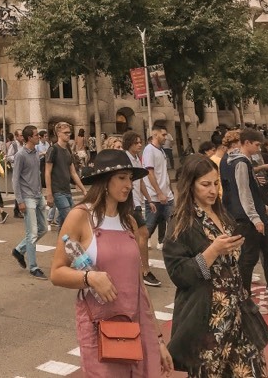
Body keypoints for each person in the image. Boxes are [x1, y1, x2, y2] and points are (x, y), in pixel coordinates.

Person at [50, 148, 173, 376]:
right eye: (121, 178)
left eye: (130, 178)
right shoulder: (80, 216)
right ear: (104, 181)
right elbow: (56, 273)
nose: (128, 184)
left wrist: (158, 339)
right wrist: (90, 278)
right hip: (99, 327)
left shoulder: (129, 222)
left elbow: (140, 287)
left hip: (136, 323)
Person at [164, 154, 267, 376]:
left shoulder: (222, 213)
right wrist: (212, 251)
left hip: (239, 313)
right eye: (205, 185)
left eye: (216, 183)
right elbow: (179, 274)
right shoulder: (181, 223)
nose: (212, 190)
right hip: (208, 321)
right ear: (190, 186)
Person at [221, 127, 268, 307]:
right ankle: (244, 296)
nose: (259, 148)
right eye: (257, 145)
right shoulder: (241, 162)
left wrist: (261, 206)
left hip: (242, 214)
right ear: (247, 143)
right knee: (250, 257)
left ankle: (254, 294)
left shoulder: (228, 159)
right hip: (248, 217)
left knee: (265, 253)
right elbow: (243, 192)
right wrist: (256, 217)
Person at [123, 130, 161, 287]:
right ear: (130, 143)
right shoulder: (125, 159)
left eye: (140, 142)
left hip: (137, 202)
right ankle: (144, 271)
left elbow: (140, 181)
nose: (140, 145)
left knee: (135, 237)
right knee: (142, 235)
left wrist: (149, 199)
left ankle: (134, 269)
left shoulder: (137, 159)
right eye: (137, 142)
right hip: (129, 203)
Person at [11, 125, 49, 280]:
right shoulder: (21, 155)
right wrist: (20, 200)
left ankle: (19, 250)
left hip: (38, 195)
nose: (38, 137)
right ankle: (34, 267)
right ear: (28, 138)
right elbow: (15, 179)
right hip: (27, 197)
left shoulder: (36, 153)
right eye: (35, 135)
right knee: (32, 233)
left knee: (44, 229)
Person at [45, 121, 86, 232]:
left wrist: (83, 190)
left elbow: (73, 173)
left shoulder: (68, 151)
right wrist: (49, 194)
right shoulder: (53, 149)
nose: (69, 134)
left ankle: (60, 246)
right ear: (58, 133)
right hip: (57, 191)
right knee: (71, 218)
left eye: (69, 132)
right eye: (65, 132)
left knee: (63, 224)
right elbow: (47, 172)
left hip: (67, 191)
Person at [143, 123, 175, 250]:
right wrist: (159, 192)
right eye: (163, 134)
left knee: (172, 220)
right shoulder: (149, 150)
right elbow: (150, 173)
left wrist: (169, 189)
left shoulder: (161, 150)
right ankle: (140, 245)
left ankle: (166, 243)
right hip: (155, 196)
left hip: (167, 195)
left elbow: (164, 172)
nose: (165, 137)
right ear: (155, 134)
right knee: (150, 225)